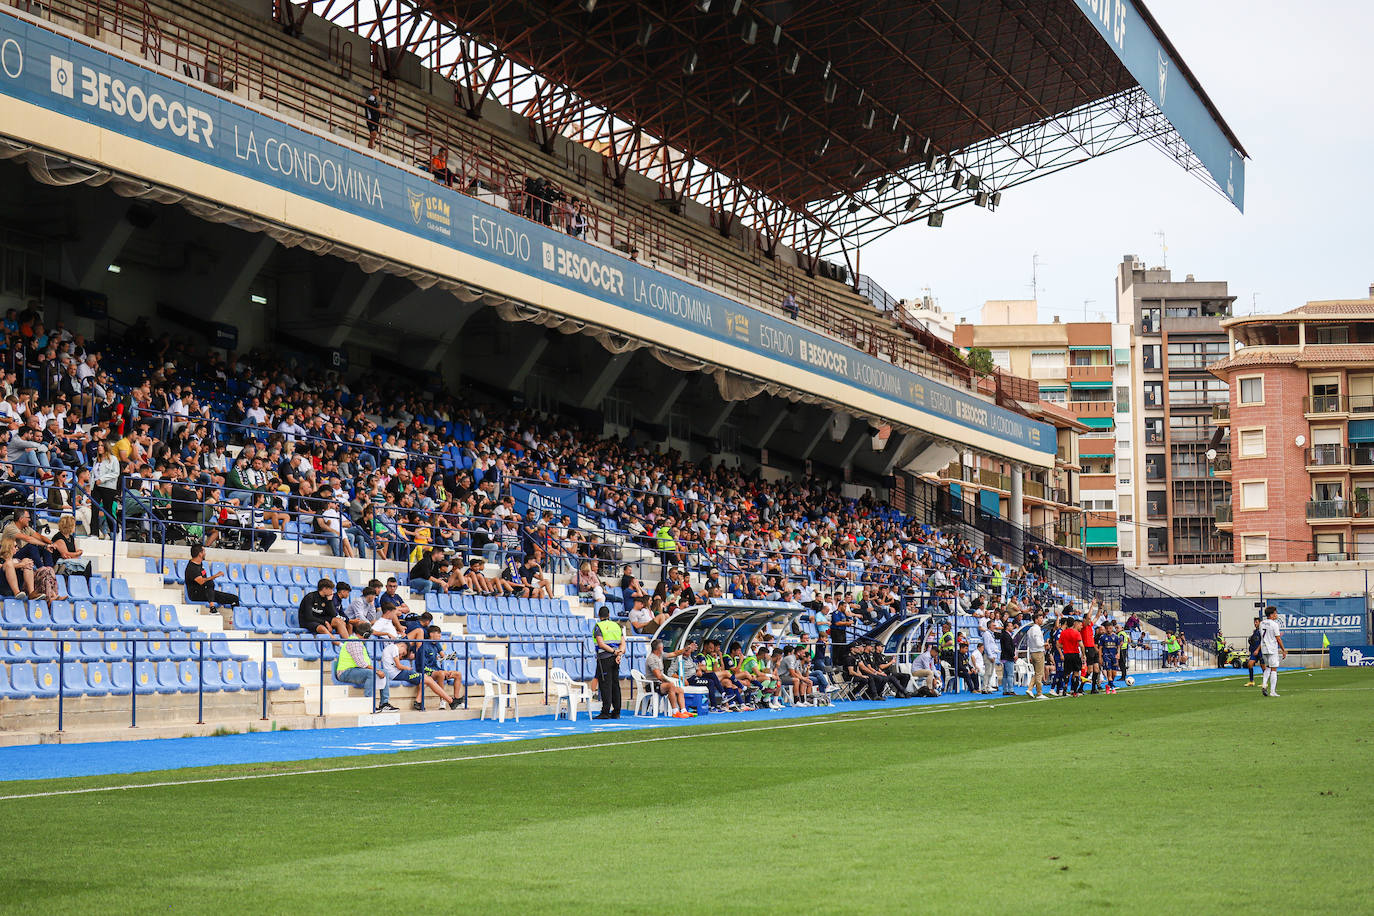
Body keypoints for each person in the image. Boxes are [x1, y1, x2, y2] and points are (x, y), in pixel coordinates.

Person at [381, 640, 460, 711]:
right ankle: (451, 701)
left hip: (394, 673)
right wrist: (408, 668)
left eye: (402, 654)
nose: (401, 655)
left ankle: (418, 702)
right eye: (403, 653)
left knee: (426, 679)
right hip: (397, 673)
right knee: (428, 680)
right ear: (402, 645)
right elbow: (399, 666)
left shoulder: (390, 648)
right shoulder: (394, 648)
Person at [334, 623, 394, 710]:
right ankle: (369, 704)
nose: (369, 638)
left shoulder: (359, 642)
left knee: (385, 673)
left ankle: (384, 703)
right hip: (345, 672)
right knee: (371, 674)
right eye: (369, 635)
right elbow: (361, 664)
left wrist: (378, 671)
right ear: (365, 635)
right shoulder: (354, 642)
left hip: (355, 670)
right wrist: (377, 671)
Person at [416, 626, 465, 706]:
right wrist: (439, 671)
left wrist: (451, 657)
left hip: (436, 670)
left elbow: (443, 656)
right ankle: (443, 701)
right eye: (438, 634)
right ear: (431, 634)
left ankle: (456, 699)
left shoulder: (436, 644)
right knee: (441, 674)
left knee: (457, 674)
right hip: (426, 671)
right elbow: (422, 666)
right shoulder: (424, 647)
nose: (440, 636)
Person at [184, 543, 238, 611]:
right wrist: (215, 575)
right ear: (200, 554)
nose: (205, 553)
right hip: (195, 594)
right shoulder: (191, 568)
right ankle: (212, 607)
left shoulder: (200, 564)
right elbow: (201, 581)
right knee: (209, 582)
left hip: (207, 593)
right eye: (204, 551)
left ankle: (236, 619)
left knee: (234, 599)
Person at [592, 605, 624, 719]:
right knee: (615, 684)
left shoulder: (599, 626)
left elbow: (601, 644)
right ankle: (616, 711)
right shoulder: (616, 626)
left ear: (599, 615)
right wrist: (619, 653)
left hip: (605, 659)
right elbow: (622, 642)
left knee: (606, 685)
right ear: (609, 615)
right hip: (616, 659)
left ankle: (605, 711)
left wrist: (614, 652)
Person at [645, 639, 689, 718]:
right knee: (671, 685)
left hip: (660, 683)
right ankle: (675, 711)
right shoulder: (652, 659)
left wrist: (685, 649)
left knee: (680, 690)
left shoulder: (661, 655)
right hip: (652, 684)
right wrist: (669, 681)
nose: (663, 647)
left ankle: (683, 711)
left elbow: (674, 654)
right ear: (659, 648)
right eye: (662, 646)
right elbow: (658, 676)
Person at [299, 577, 349, 643]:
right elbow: (309, 617)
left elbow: (333, 614)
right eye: (331, 589)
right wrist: (325, 622)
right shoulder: (310, 597)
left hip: (320, 619)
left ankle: (349, 643)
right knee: (322, 628)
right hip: (308, 621)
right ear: (324, 589)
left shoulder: (327, 598)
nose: (332, 592)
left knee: (339, 621)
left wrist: (330, 601)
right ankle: (339, 644)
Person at [1259, 605, 1286, 698]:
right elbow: (1278, 639)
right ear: (1271, 614)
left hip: (1264, 648)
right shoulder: (1274, 624)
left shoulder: (1261, 623)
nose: (1276, 614)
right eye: (1275, 613)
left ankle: (1264, 684)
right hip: (1272, 648)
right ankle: (1272, 691)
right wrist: (1283, 650)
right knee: (1274, 669)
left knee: (1267, 668)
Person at [1058, 615, 1084, 697]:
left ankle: (1065, 687)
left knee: (1067, 672)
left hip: (1067, 654)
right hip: (1075, 654)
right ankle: (1075, 691)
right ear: (1073, 624)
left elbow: (1059, 645)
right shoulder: (1076, 633)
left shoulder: (1063, 633)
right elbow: (1081, 645)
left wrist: (1066, 646)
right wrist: (1083, 654)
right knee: (1076, 672)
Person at [1025, 611, 1047, 699]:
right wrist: (1044, 644)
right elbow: (1038, 643)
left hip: (1033, 652)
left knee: (1037, 672)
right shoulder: (1036, 629)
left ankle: (1030, 688)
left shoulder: (1030, 629)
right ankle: (1039, 693)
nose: (1042, 620)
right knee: (1039, 674)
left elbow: (1028, 642)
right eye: (1041, 618)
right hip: (1038, 652)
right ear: (1036, 620)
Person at [1244, 617, 1263, 687]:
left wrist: (1258, 650)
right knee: (1250, 664)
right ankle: (1251, 681)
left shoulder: (1262, 631)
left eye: (1256, 622)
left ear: (1260, 623)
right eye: (1254, 622)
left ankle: (1265, 682)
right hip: (1254, 651)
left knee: (1263, 667)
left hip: (1261, 651)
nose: (1255, 623)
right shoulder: (1255, 631)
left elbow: (1263, 641)